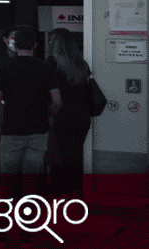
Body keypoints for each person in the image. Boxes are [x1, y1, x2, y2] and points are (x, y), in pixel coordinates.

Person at [0, 27, 61, 245]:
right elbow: (57, 101)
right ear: (35, 45)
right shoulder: (46, 68)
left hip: (11, 132)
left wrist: (0, 124)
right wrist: (49, 118)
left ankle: (1, 228)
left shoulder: (4, 67)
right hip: (38, 133)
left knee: (6, 183)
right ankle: (27, 230)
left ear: (15, 44)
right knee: (30, 183)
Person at [44, 27, 92, 199]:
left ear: (56, 42)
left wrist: (48, 114)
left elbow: (49, 92)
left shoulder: (52, 62)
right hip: (82, 115)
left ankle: (60, 194)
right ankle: (75, 192)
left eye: (51, 40)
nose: (49, 42)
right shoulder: (82, 64)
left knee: (58, 155)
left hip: (61, 114)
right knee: (75, 154)